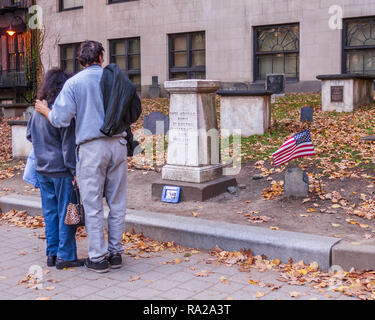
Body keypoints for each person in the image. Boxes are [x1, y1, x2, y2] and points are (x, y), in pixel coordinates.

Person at [35, 41, 139, 273]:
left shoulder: (73, 84)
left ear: (81, 61)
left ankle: (98, 258)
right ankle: (115, 253)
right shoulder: (114, 78)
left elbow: (60, 120)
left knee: (92, 205)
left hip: (91, 148)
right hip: (119, 144)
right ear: (101, 57)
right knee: (117, 202)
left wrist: (45, 111)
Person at [27, 68, 84, 270]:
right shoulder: (61, 114)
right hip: (61, 170)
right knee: (66, 212)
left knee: (50, 213)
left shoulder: (37, 111)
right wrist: (74, 172)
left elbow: (29, 136)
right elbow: (68, 146)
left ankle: (52, 254)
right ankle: (66, 256)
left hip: (42, 169)